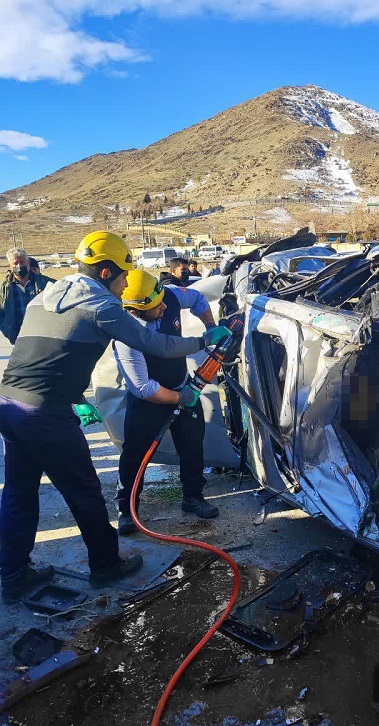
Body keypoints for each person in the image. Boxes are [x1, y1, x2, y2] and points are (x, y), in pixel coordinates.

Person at [0, 231, 228, 603]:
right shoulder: (101, 304)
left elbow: (43, 358)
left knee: (18, 493)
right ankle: (106, 565)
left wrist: (76, 396)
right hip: (46, 413)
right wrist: (205, 341)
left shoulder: (45, 296)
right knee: (84, 491)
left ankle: (12, 575)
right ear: (105, 272)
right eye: (123, 276)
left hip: (9, 404)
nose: (125, 284)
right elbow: (155, 344)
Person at [114, 270, 231, 534]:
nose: (165, 307)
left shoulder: (167, 296)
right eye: (157, 307)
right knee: (135, 453)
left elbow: (198, 298)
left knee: (192, 445)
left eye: (163, 300)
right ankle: (127, 509)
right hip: (148, 402)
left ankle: (193, 497)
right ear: (135, 311)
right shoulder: (126, 334)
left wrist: (210, 327)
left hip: (180, 384)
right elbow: (144, 387)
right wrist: (180, 398)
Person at [0, 248, 52, 344]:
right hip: (19, 337)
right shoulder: (5, 288)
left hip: (43, 334)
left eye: (22, 262)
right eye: (15, 263)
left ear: (27, 262)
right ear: (10, 266)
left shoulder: (44, 282)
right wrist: (8, 331)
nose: (19, 266)